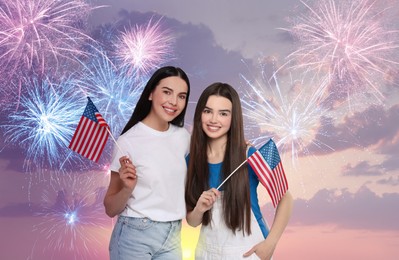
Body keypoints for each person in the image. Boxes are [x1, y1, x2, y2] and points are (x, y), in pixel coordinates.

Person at [185, 82, 293, 260]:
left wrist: (270, 244)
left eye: (223, 113)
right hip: (207, 252)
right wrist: (199, 208)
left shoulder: (248, 154)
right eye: (207, 111)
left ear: (233, 118)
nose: (214, 119)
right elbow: (193, 221)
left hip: (246, 250)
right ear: (199, 114)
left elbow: (286, 199)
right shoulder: (192, 160)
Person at [104, 66, 191, 260]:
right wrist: (126, 188)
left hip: (173, 235)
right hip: (134, 235)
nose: (174, 102)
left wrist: (240, 144)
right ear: (151, 93)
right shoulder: (128, 141)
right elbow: (110, 208)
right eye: (167, 92)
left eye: (182, 96)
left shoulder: (184, 138)